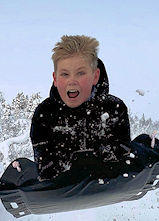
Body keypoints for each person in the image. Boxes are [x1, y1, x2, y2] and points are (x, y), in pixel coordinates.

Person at [30, 35, 131, 180]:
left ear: (95, 76)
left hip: (107, 176)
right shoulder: (45, 114)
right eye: (65, 74)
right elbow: (43, 164)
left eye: (80, 73)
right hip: (63, 183)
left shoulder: (114, 108)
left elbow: (123, 149)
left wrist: (102, 155)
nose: (72, 81)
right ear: (55, 79)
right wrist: (65, 166)